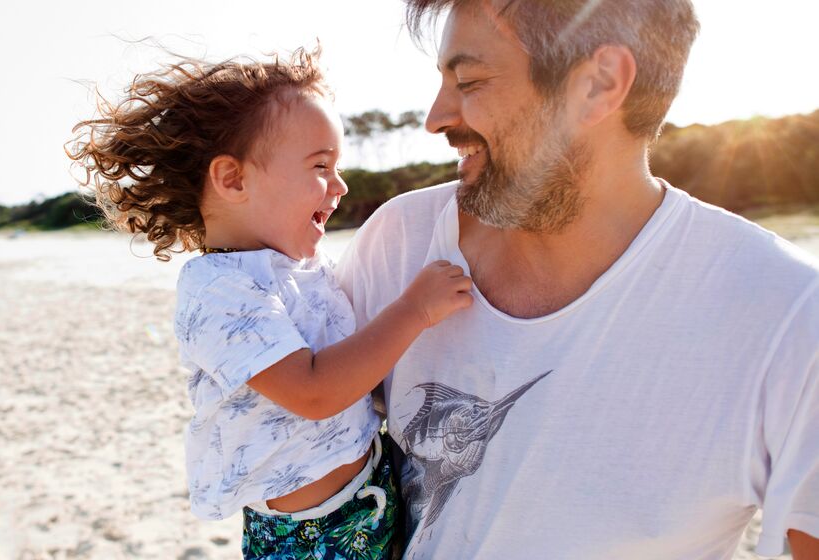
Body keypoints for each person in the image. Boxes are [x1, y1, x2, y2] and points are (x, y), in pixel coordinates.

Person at [335, 0, 819, 558]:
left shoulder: (784, 313)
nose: (436, 117)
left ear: (599, 85)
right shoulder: (399, 243)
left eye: (469, 81)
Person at [66, 48, 473, 559]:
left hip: (374, 497)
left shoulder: (304, 269)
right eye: (321, 165)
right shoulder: (219, 290)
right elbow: (314, 391)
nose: (341, 186)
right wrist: (414, 310)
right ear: (233, 179)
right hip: (308, 539)